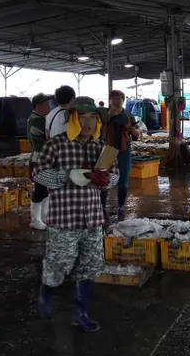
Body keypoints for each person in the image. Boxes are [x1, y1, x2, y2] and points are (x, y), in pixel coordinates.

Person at [34, 97, 118, 332]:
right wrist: (67, 176)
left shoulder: (101, 148)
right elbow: (39, 174)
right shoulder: (56, 145)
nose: (88, 122)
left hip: (92, 219)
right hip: (64, 219)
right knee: (58, 265)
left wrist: (107, 180)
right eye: (82, 117)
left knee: (89, 266)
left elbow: (115, 175)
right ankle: (46, 294)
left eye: (92, 117)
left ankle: (81, 313)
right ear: (72, 119)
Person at [101, 90, 141, 220]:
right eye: (114, 99)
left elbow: (136, 134)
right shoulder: (102, 115)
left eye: (119, 99)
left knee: (123, 180)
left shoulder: (129, 116)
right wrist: (108, 118)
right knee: (103, 178)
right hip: (107, 149)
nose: (116, 101)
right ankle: (102, 208)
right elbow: (97, 132)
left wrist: (129, 127)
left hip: (124, 150)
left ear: (123, 100)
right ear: (110, 101)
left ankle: (120, 206)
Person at [27, 93, 53, 230]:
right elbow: (43, 143)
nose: (49, 107)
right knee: (40, 190)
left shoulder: (41, 118)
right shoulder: (36, 120)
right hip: (39, 160)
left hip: (42, 159)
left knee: (45, 190)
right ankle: (35, 220)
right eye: (46, 105)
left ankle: (43, 217)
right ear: (38, 106)